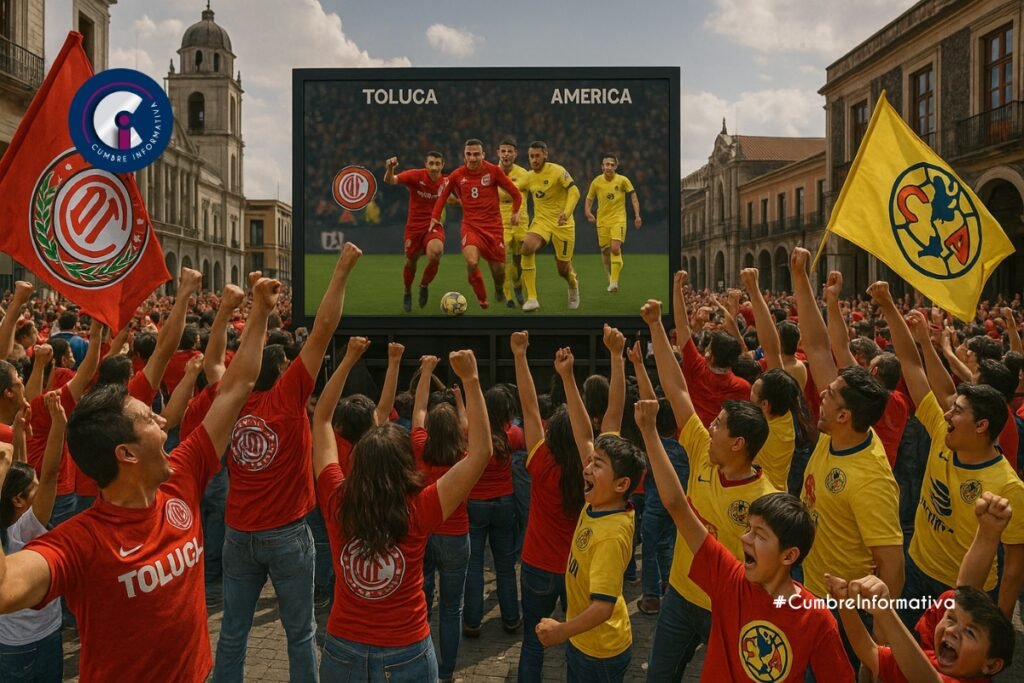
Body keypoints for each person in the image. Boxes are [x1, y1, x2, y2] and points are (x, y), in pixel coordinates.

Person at [0, 275, 278, 683]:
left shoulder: (181, 476)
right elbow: (5, 590)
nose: (164, 421)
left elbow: (239, 386)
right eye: (149, 419)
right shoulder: (80, 542)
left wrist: (261, 312)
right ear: (126, 453)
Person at [214, 245, 362, 683]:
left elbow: (212, 358)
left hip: (238, 532)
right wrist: (341, 269)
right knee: (300, 634)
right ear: (278, 367)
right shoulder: (288, 395)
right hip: (287, 534)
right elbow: (323, 329)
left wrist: (238, 311)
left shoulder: (226, 399)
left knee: (232, 633)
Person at [635, 392, 853, 681]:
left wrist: (864, 614)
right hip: (679, 598)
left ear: (789, 555)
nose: (745, 540)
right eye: (747, 528)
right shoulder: (729, 579)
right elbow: (676, 505)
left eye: (758, 535)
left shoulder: (812, 617)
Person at [311, 346, 492, 681]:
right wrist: (471, 380)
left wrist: (347, 359)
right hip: (407, 651)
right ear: (404, 465)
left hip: (343, 647)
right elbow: (480, 452)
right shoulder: (419, 509)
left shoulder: (336, 498)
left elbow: (321, 418)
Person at [870, 282, 1024, 626]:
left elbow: (1014, 564)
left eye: (958, 411)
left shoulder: (1007, 486)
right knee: (903, 657)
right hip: (916, 571)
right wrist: (888, 306)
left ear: (982, 425)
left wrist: (999, 626)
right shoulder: (943, 433)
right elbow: (911, 365)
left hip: (965, 591)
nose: (947, 414)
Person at [642, 298, 781, 681]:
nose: (710, 427)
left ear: (739, 444)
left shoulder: (763, 502)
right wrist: (656, 325)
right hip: (679, 597)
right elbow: (677, 392)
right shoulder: (704, 452)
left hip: (726, 609)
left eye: (718, 424)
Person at [535, 345, 644, 682]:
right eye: (591, 460)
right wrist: (568, 376)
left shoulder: (609, 535)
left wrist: (561, 631)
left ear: (622, 483)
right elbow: (586, 432)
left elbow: (602, 607)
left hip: (599, 652)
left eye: (597, 464)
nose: (587, 467)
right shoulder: (601, 500)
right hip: (587, 644)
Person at [827, 491, 1015, 683]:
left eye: (970, 632)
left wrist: (886, 613)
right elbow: (869, 650)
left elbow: (926, 679)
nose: (951, 630)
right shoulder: (928, 657)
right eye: (950, 619)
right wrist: (844, 604)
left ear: (991, 666)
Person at [511, 330, 586, 681]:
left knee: (532, 642)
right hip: (576, 567)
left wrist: (520, 355)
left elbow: (528, 405)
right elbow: (588, 433)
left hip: (538, 564)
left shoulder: (541, 461)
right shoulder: (592, 471)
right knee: (577, 643)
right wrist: (568, 377)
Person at [408, 355, 470, 682]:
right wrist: (461, 397)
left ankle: (423, 663)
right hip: (456, 536)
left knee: (422, 601)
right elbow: (469, 427)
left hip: (424, 532)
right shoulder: (464, 454)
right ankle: (445, 673)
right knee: (451, 608)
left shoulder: (419, 445)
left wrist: (427, 372)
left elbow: (418, 410)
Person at [0, 392, 64, 682]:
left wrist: (18, 432)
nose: (42, 490)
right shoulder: (28, 527)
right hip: (38, 641)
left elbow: (23, 471)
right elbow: (49, 474)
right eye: (33, 488)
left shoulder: (10, 523)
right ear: (18, 500)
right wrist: (59, 425)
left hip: (9, 643)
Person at [741, 267, 816, 491]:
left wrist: (754, 290)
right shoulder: (785, 423)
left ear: (765, 404)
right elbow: (774, 351)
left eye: (754, 390)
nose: (750, 393)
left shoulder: (765, 427)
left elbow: (771, 349)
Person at [431, 138, 523, 310]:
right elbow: (443, 196)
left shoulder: (494, 171)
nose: (472, 158)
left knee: (499, 272)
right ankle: (482, 298)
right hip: (471, 226)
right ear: (464, 156)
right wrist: (435, 217)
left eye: (476, 154)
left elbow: (516, 194)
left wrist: (516, 212)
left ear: (483, 155)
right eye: (468, 154)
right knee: (472, 262)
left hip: (493, 228)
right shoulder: (457, 175)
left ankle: (498, 289)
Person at [673, 271, 751, 426]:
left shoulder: (696, 367)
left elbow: (682, 327)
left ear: (711, 356)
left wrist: (676, 288)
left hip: (691, 441)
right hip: (723, 444)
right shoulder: (743, 387)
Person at [518, 141, 581, 312]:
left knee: (563, 269)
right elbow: (512, 191)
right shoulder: (529, 177)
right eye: (531, 156)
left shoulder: (558, 171)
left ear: (545, 154)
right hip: (542, 222)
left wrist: (566, 213)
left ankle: (573, 284)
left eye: (537, 156)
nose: (534, 160)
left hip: (563, 223)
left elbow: (575, 192)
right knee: (527, 247)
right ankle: (532, 298)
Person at [384, 152, 448, 312]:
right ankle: (407, 292)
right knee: (411, 262)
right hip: (414, 228)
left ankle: (424, 285)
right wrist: (390, 168)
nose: (434, 167)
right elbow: (390, 180)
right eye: (431, 163)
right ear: (425, 164)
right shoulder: (415, 176)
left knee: (436, 253)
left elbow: (454, 197)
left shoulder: (446, 182)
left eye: (437, 164)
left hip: (433, 225)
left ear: (442, 165)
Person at [584, 154, 641, 293]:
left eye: (611, 164)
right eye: (606, 164)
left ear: (616, 166)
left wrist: (637, 215)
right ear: (602, 167)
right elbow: (589, 198)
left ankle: (614, 282)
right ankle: (611, 277)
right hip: (602, 221)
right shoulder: (596, 182)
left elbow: (633, 196)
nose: (608, 167)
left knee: (615, 248)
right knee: (605, 252)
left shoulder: (623, 180)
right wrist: (587, 212)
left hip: (618, 219)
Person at [497, 138, 531, 307]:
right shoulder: (492, 173)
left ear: (515, 154)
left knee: (519, 259)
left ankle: (517, 285)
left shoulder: (524, 173)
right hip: (500, 221)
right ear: (498, 153)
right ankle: (508, 296)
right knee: (503, 258)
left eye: (509, 151)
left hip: (520, 220)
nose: (506, 154)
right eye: (503, 151)